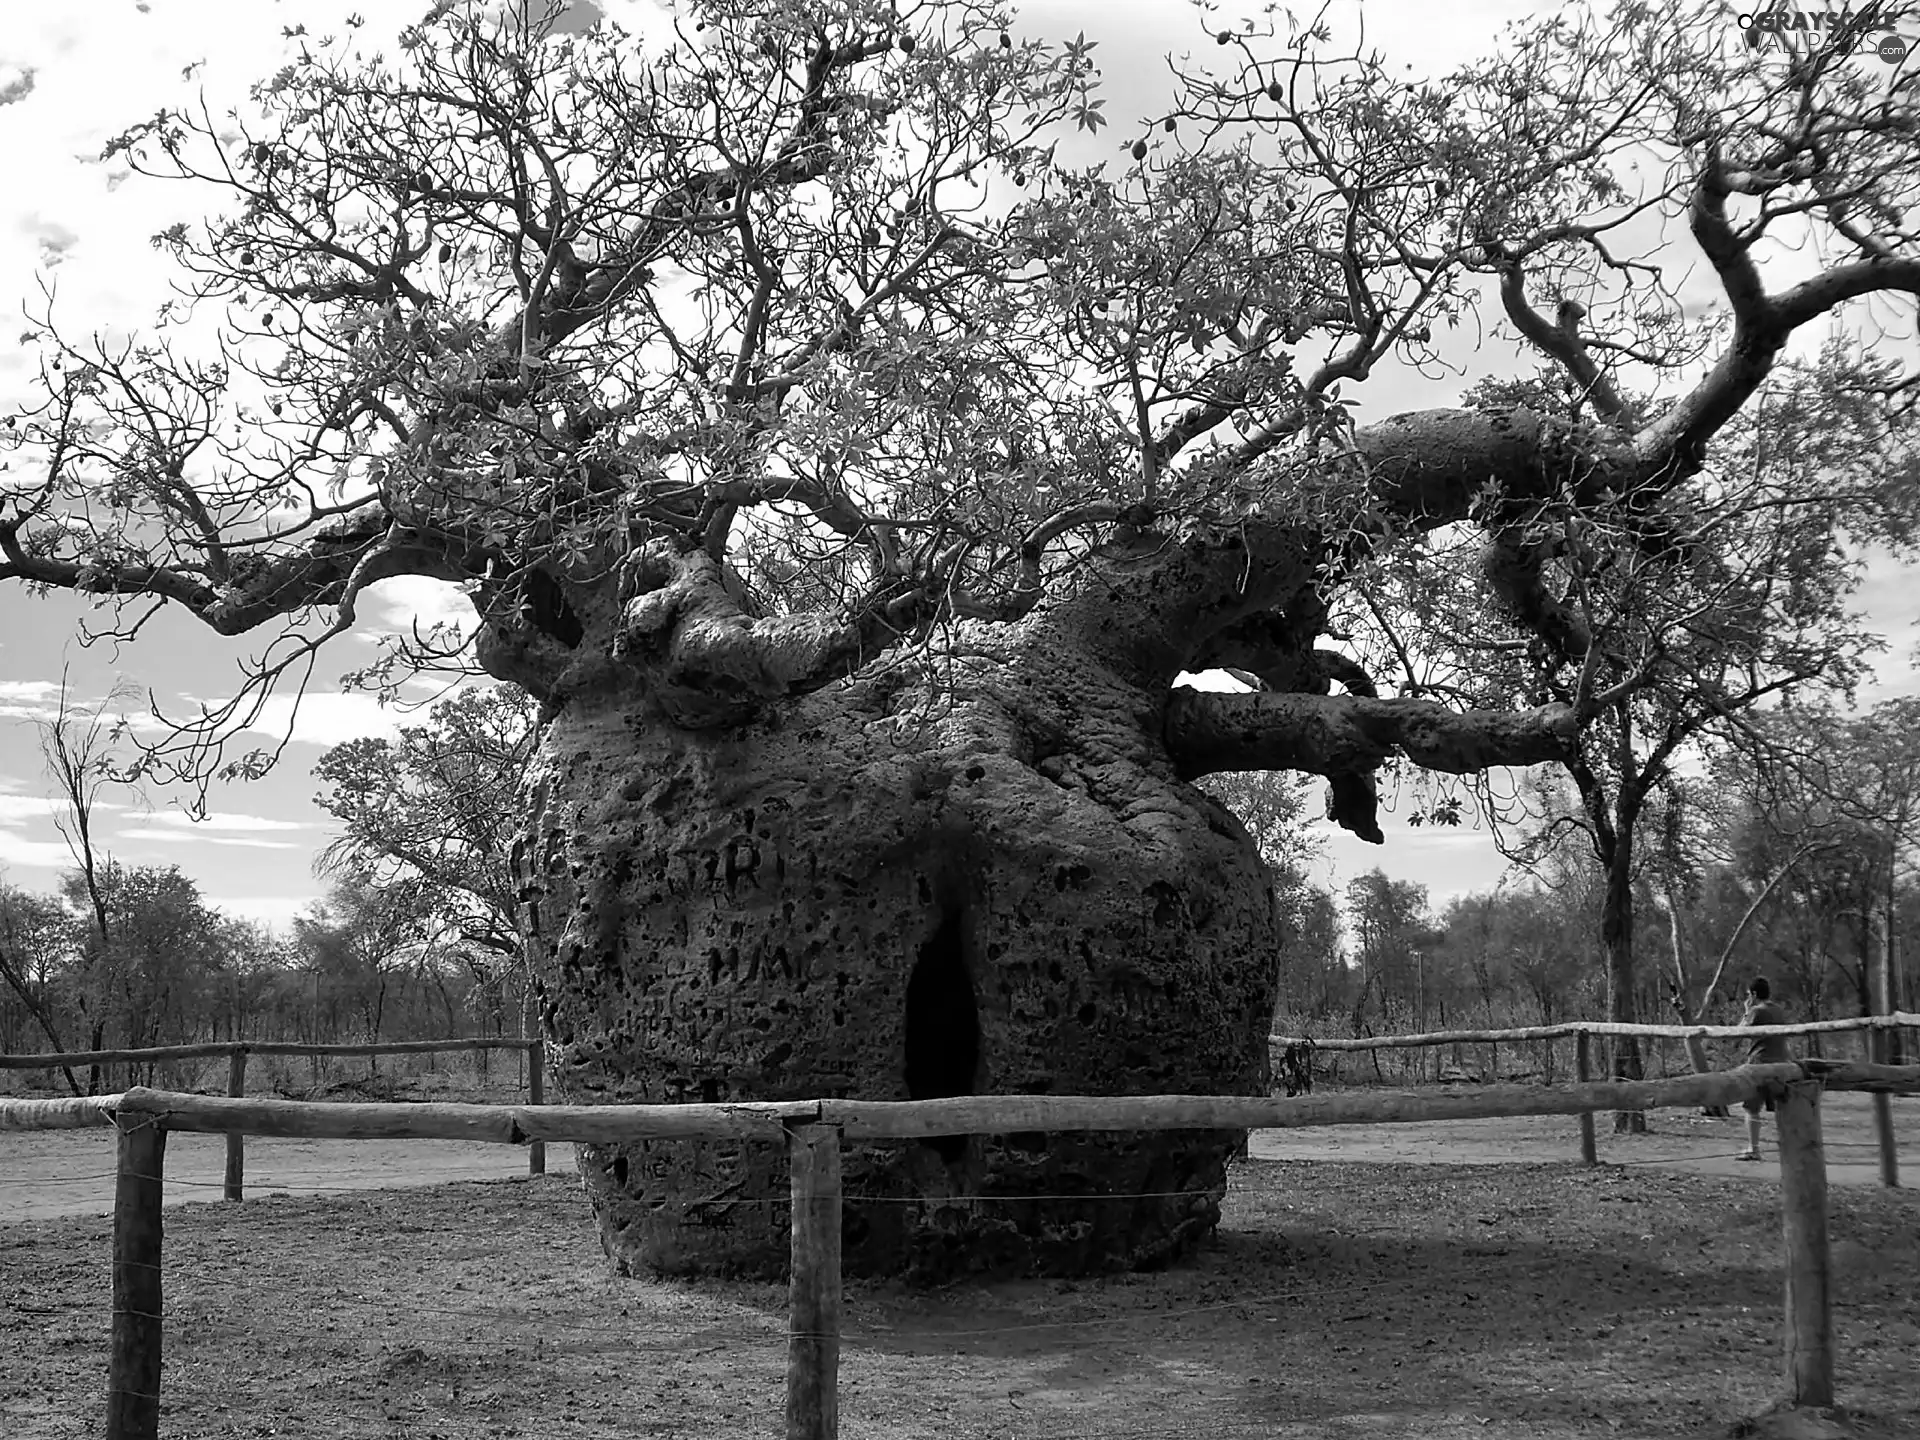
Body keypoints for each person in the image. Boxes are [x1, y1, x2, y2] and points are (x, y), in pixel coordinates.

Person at [1737, 977, 1794, 1161]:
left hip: (1759, 1064)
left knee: (1751, 1108)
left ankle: (1753, 1148)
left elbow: (1738, 1032)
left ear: (1753, 994)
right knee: (1782, 1108)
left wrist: (1746, 1012)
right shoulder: (1778, 1010)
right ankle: (1791, 1147)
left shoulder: (1756, 1011)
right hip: (1782, 1063)